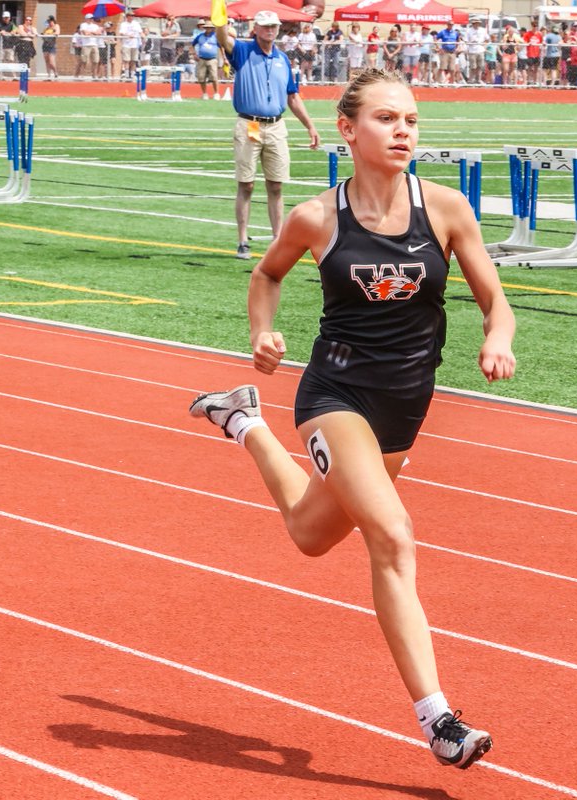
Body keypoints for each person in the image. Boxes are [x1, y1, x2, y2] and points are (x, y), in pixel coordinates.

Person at [189, 69, 513, 771]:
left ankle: (243, 424)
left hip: (405, 405)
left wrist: (498, 337)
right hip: (336, 395)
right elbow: (268, 273)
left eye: (413, 120)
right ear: (347, 129)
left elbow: (496, 299)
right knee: (392, 536)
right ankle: (439, 721)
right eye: (388, 119)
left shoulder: (449, 210)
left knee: (310, 534)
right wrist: (262, 332)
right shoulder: (317, 219)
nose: (404, 131)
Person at [216, 9, 320, 259]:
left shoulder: (282, 59)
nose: (270, 30)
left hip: (276, 126)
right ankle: (242, 240)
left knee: (276, 185)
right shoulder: (242, 51)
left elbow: (293, 96)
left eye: (273, 26)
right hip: (249, 124)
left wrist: (310, 126)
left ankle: (278, 239)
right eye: (265, 26)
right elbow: (222, 37)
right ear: (256, 28)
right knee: (247, 184)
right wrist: (218, 17)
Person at [192, 19, 221, 99]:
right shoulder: (200, 36)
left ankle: (216, 93)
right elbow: (192, 45)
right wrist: (194, 54)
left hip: (212, 59)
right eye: (207, 27)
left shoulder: (216, 36)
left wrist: (224, 58)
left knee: (214, 77)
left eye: (210, 27)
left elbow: (221, 47)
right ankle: (204, 93)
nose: (208, 29)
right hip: (201, 59)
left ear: (212, 28)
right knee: (201, 77)